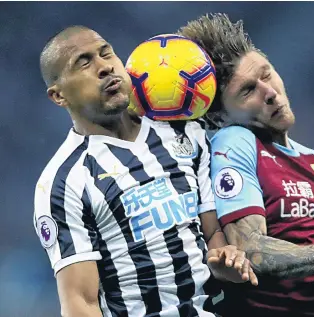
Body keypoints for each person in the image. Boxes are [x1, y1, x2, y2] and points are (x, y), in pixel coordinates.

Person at [33, 25, 257, 317]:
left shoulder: (185, 131)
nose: (104, 67)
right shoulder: (64, 183)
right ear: (58, 96)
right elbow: (80, 303)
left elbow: (211, 231)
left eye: (106, 53)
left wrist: (225, 259)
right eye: (84, 62)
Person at [178, 14, 314, 317]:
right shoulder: (236, 141)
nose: (269, 92)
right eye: (247, 91)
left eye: (266, 75)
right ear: (219, 116)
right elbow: (249, 249)